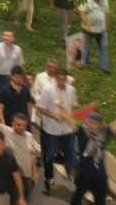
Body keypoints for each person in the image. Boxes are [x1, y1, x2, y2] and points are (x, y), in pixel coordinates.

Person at [36, 67, 77, 195]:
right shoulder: (48, 90)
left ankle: (73, 178)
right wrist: (54, 115)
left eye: (64, 80)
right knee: (48, 158)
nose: (61, 82)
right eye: (59, 80)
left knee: (71, 156)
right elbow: (41, 108)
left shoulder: (71, 90)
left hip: (67, 131)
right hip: (51, 131)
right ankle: (49, 182)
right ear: (55, 79)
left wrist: (69, 118)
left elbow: (73, 107)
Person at [78, 0, 111, 73]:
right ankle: (84, 63)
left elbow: (106, 13)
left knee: (104, 47)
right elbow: (82, 13)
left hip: (101, 29)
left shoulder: (105, 0)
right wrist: (87, 25)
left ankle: (105, 67)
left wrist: (107, 24)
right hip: (88, 29)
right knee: (86, 47)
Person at [0, 31, 24, 98]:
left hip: (12, 77)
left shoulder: (18, 49)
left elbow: (20, 64)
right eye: (5, 35)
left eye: (9, 36)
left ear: (14, 38)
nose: (6, 38)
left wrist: (20, 78)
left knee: (10, 95)